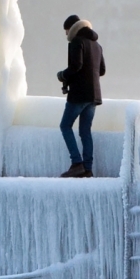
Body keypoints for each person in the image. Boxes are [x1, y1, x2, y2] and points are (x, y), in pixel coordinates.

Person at [56, 14, 105, 178]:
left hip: (79, 94)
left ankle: (77, 163)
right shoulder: (97, 45)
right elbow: (102, 70)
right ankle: (88, 169)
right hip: (94, 96)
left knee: (65, 126)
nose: (66, 34)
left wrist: (63, 75)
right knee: (85, 131)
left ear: (72, 28)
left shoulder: (76, 42)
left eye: (66, 30)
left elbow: (76, 66)